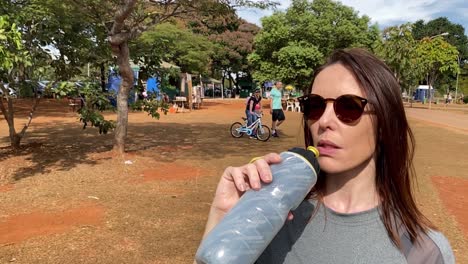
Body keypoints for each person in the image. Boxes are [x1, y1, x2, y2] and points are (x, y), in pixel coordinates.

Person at [197, 48, 455, 263]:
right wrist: (224, 220)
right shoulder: (268, 219)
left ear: (386, 121)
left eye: (349, 106)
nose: (324, 121)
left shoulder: (425, 251)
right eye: (315, 105)